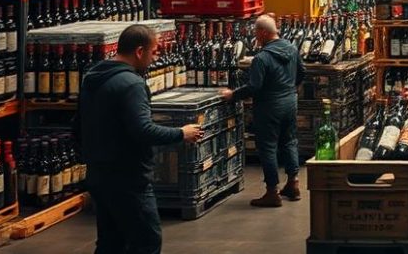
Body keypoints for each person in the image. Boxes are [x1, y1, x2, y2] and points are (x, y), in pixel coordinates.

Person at [74, 24, 203, 254]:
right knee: (147, 241)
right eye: (154, 52)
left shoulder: (92, 78)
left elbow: (77, 126)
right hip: (128, 179)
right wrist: (181, 134)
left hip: (99, 175)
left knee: (110, 242)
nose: (155, 58)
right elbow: (142, 130)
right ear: (139, 51)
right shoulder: (132, 84)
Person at [220, 14, 305, 208]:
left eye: (256, 33)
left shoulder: (262, 58)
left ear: (263, 32)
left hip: (269, 106)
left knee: (268, 147)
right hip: (290, 102)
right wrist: (290, 89)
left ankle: (272, 192)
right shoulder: (292, 49)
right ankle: (293, 184)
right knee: (290, 141)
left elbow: (254, 87)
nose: (255, 37)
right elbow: (302, 73)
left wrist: (232, 94)